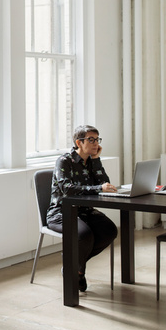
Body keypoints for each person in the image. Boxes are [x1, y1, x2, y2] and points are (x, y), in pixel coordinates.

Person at [47, 124, 118, 292]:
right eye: (91, 140)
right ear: (79, 143)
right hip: (61, 212)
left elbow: (104, 183)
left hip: (85, 211)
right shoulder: (64, 161)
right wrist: (98, 189)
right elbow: (67, 189)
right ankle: (77, 272)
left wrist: (96, 161)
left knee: (109, 231)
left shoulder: (91, 162)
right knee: (85, 235)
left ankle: (73, 263)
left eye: (97, 140)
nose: (95, 143)